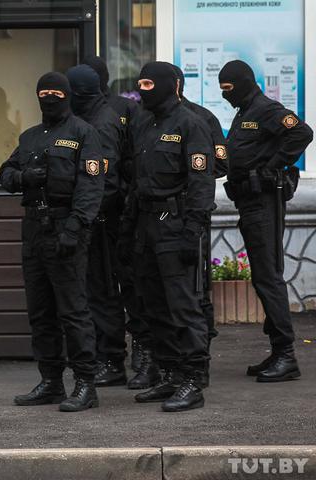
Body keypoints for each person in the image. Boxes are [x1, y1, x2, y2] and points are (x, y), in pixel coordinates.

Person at [0, 72, 104, 413]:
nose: (49, 97)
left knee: (73, 311)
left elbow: (91, 186)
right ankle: (51, 381)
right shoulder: (30, 137)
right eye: (43, 91)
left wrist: (75, 228)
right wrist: (22, 177)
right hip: (34, 229)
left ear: (68, 95)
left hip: (66, 227)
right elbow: (6, 172)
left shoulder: (83, 133)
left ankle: (86, 383)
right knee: (41, 311)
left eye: (56, 92)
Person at [118, 61, 215, 412]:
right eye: (139, 83)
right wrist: (128, 228)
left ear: (169, 85)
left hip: (175, 223)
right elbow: (135, 178)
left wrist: (194, 230)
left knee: (182, 305)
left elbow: (201, 182)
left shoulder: (191, 123)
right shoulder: (143, 121)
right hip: (145, 223)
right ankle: (170, 373)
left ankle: (192, 379)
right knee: (152, 304)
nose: (143, 90)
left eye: (149, 83)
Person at [219, 60, 313, 382]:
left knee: (268, 277)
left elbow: (302, 132)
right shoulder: (245, 112)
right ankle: (278, 351)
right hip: (249, 202)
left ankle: (287, 356)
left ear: (243, 83)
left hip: (263, 203)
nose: (225, 94)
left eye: (228, 88)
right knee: (264, 277)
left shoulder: (265, 109)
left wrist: (272, 166)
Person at [83, 54, 152, 377]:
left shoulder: (110, 114)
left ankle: (124, 356)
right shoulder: (119, 108)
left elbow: (112, 171)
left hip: (115, 212)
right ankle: (130, 355)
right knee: (121, 286)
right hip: (122, 210)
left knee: (117, 287)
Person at [65, 64, 130, 388]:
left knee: (102, 291)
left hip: (102, 221)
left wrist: (86, 216)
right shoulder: (95, 117)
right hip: (97, 218)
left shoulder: (101, 124)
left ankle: (112, 359)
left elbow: (105, 181)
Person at [174, 65, 228, 384]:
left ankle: (199, 357)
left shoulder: (201, 118)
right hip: (154, 217)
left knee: (197, 286)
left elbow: (220, 163)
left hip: (192, 211)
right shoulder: (146, 118)